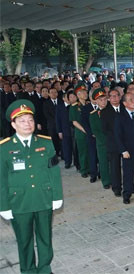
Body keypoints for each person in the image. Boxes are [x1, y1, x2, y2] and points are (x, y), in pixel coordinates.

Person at [0, 99, 63, 274]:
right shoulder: (4, 149)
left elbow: (54, 171)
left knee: (45, 237)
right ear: (13, 124)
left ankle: (44, 268)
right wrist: (3, 206)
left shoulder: (46, 142)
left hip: (43, 199)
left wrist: (57, 196)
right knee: (24, 240)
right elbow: (1, 179)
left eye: (30, 120)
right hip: (19, 202)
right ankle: (28, 270)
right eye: (22, 121)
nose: (27, 124)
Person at [115, 93, 134, 204]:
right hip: (128, 151)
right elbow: (118, 135)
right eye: (130, 100)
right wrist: (123, 150)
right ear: (125, 103)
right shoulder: (120, 117)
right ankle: (127, 194)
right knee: (128, 173)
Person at [100, 89, 123, 196]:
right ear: (109, 99)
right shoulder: (105, 112)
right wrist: (117, 136)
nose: (114, 98)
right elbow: (104, 129)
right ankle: (117, 188)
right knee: (115, 167)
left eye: (116, 96)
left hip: (126, 142)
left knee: (128, 166)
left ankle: (129, 186)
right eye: (112, 96)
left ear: (120, 96)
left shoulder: (124, 108)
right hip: (113, 143)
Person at [89, 89, 111, 189]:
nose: (103, 102)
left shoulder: (112, 111)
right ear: (96, 101)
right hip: (101, 142)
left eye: (104, 99)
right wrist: (105, 139)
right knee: (103, 162)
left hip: (113, 141)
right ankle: (106, 181)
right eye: (100, 100)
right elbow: (95, 131)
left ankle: (114, 179)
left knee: (113, 163)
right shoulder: (93, 114)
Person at [68, 85, 89, 178]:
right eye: (83, 93)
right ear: (78, 95)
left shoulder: (89, 104)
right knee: (83, 152)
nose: (85, 94)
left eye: (86, 92)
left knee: (90, 151)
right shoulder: (74, 107)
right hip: (81, 133)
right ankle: (83, 169)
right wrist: (84, 130)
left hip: (90, 132)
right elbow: (74, 122)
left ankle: (91, 168)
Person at [55, 91, 73, 169]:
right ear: (63, 98)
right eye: (67, 97)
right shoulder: (59, 107)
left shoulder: (74, 106)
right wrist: (59, 131)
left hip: (74, 129)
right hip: (64, 130)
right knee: (66, 147)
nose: (69, 99)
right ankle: (67, 162)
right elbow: (57, 120)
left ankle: (77, 163)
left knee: (75, 148)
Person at [42, 87, 61, 157]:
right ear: (49, 94)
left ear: (57, 93)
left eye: (55, 92)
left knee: (61, 140)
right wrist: (55, 121)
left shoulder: (61, 101)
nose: (53, 94)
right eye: (51, 92)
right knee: (53, 139)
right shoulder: (46, 103)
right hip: (52, 125)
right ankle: (55, 152)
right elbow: (46, 114)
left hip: (61, 124)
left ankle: (62, 153)